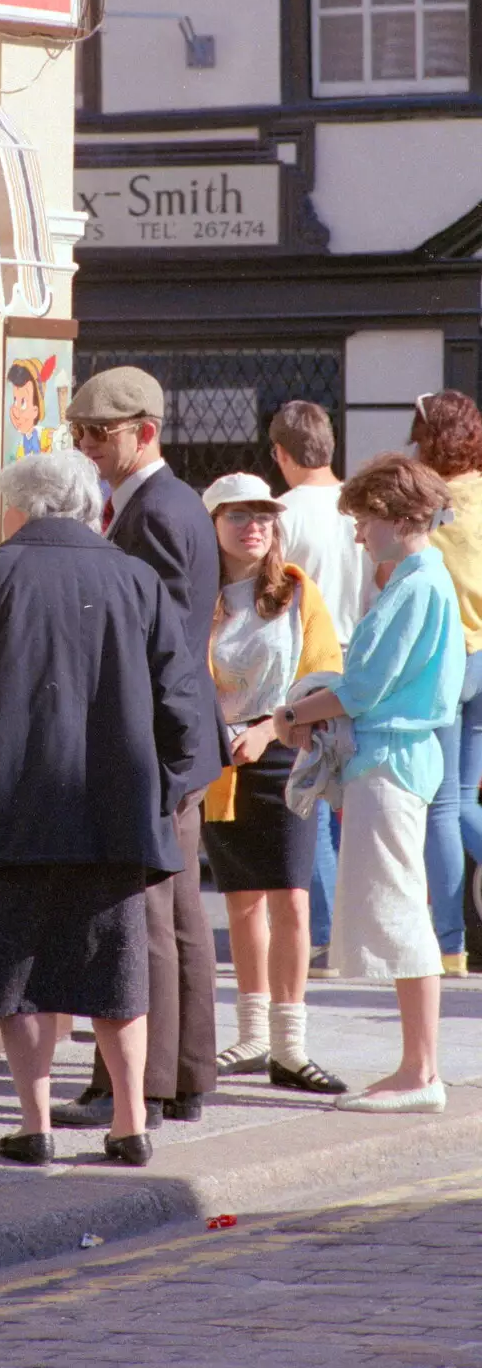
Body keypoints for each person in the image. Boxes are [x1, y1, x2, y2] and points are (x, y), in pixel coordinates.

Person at [0, 450, 199, 1167]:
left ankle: (35, 1123)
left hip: (7, 804)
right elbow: (181, 699)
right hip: (111, 808)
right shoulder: (133, 577)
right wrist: (162, 785)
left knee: (19, 975)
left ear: (20, 506)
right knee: (114, 973)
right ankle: (130, 1121)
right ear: (84, 504)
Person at [53, 365, 226, 1132]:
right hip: (177, 740)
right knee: (180, 915)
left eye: (99, 434)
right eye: (78, 434)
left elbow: (153, 644)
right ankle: (185, 1077)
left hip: (157, 740)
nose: (86, 447)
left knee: (142, 917)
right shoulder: (165, 503)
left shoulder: (154, 510)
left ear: (144, 432)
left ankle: (140, 1087)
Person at [275, 453, 465, 1113]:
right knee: (400, 908)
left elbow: (361, 688)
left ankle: (420, 1073)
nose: (357, 534)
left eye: (362, 521)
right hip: (394, 756)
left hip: (388, 758)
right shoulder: (419, 576)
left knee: (400, 911)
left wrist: (289, 716)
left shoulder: (415, 583)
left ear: (390, 515)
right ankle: (417, 1068)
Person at [201, 473, 346, 1096]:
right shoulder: (197, 595)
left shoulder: (293, 590)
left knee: (291, 897)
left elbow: (324, 671)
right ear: (213, 525)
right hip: (220, 761)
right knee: (241, 901)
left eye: (263, 515)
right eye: (238, 515)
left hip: (284, 754)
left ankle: (290, 1045)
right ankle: (254, 1034)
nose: (253, 525)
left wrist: (269, 727)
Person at [270, 401, 371, 980]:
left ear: (282, 455)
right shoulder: (356, 510)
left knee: (305, 791)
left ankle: (327, 932)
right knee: (339, 801)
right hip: (353, 656)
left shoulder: (285, 513)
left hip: (305, 662)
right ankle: (342, 928)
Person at [409, 390, 482, 976]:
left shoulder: (428, 502)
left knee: (444, 803)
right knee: (465, 797)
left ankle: (449, 943)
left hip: (451, 655)